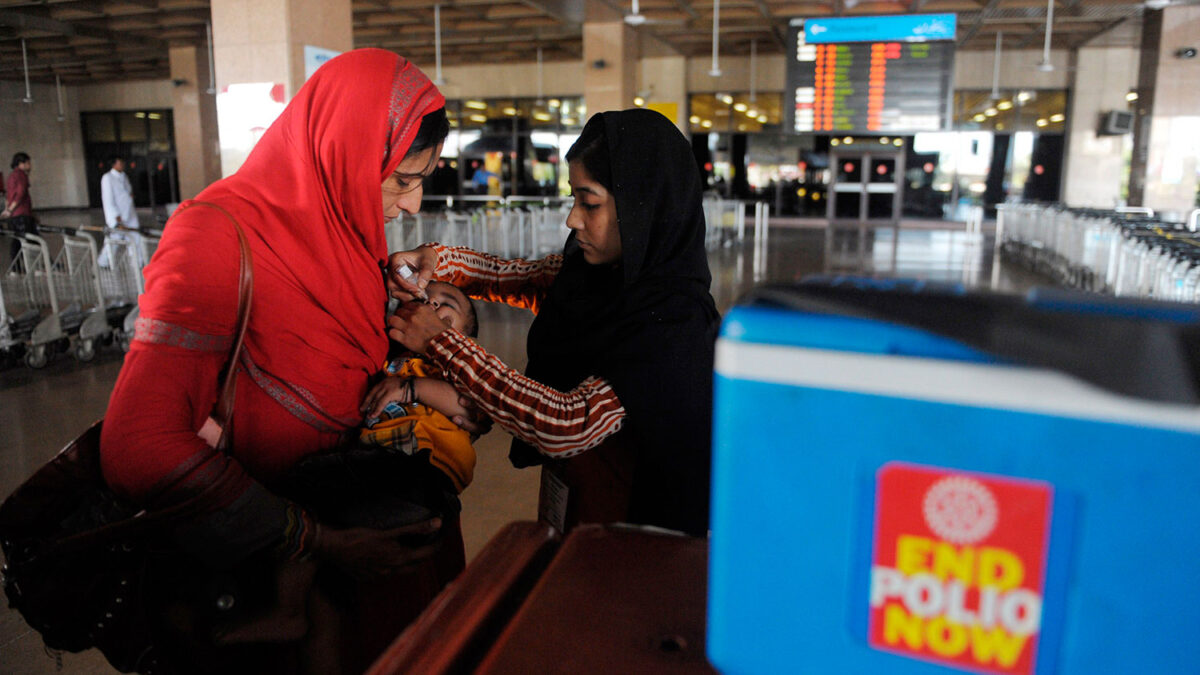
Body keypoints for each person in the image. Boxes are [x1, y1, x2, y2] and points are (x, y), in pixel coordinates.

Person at [99, 49, 468, 674]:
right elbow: (138, 444)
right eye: (401, 179)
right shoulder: (215, 238)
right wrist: (317, 540)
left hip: (371, 565)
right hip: (266, 577)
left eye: (421, 179)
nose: (412, 206)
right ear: (342, 153)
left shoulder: (351, 243)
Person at [388, 108, 721, 537]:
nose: (573, 218)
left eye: (590, 202)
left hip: (638, 531)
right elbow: (514, 277)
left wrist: (443, 344)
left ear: (643, 208)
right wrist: (439, 260)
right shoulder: (598, 274)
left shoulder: (674, 321)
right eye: (573, 199)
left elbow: (567, 423)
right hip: (579, 500)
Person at [214, 280, 480, 647]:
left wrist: (410, 389)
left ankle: (287, 608)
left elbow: (471, 407)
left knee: (302, 492)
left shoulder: (455, 370)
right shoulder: (389, 363)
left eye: (444, 307)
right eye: (422, 301)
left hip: (417, 476)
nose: (428, 309)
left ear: (467, 340)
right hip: (377, 477)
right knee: (327, 595)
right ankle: (293, 612)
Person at [98, 155, 145, 268]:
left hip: (129, 212)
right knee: (115, 238)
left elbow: (127, 192)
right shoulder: (107, 178)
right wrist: (115, 216)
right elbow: (108, 199)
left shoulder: (124, 177)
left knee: (135, 236)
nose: (122, 164)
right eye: (120, 162)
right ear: (114, 164)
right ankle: (104, 261)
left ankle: (137, 262)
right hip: (118, 215)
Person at [4, 152, 33, 261]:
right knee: (24, 242)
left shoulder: (11, 176)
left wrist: (8, 210)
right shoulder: (21, 175)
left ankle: (18, 269)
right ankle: (31, 267)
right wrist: (11, 209)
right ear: (22, 163)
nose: (30, 165)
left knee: (17, 241)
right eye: (28, 163)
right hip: (22, 214)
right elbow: (20, 193)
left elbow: (9, 196)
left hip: (14, 216)